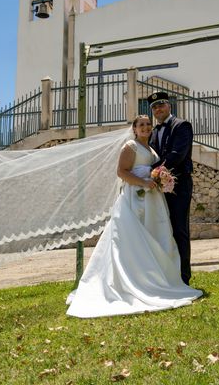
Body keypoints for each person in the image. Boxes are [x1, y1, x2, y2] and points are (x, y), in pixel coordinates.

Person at [66, 115, 202, 318]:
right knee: (134, 240)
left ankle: (157, 278)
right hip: (135, 199)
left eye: (148, 124)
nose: (146, 127)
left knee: (153, 237)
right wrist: (144, 182)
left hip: (151, 199)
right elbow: (121, 172)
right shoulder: (130, 146)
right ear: (134, 129)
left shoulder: (151, 149)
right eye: (141, 125)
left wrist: (158, 179)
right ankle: (133, 280)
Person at [147, 92, 194, 285]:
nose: (158, 109)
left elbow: (177, 155)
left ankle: (184, 277)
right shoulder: (153, 131)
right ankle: (167, 275)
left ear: (169, 106)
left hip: (179, 185)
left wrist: (151, 171)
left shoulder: (182, 126)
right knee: (161, 230)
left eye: (161, 104)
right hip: (158, 188)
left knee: (179, 229)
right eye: (154, 107)